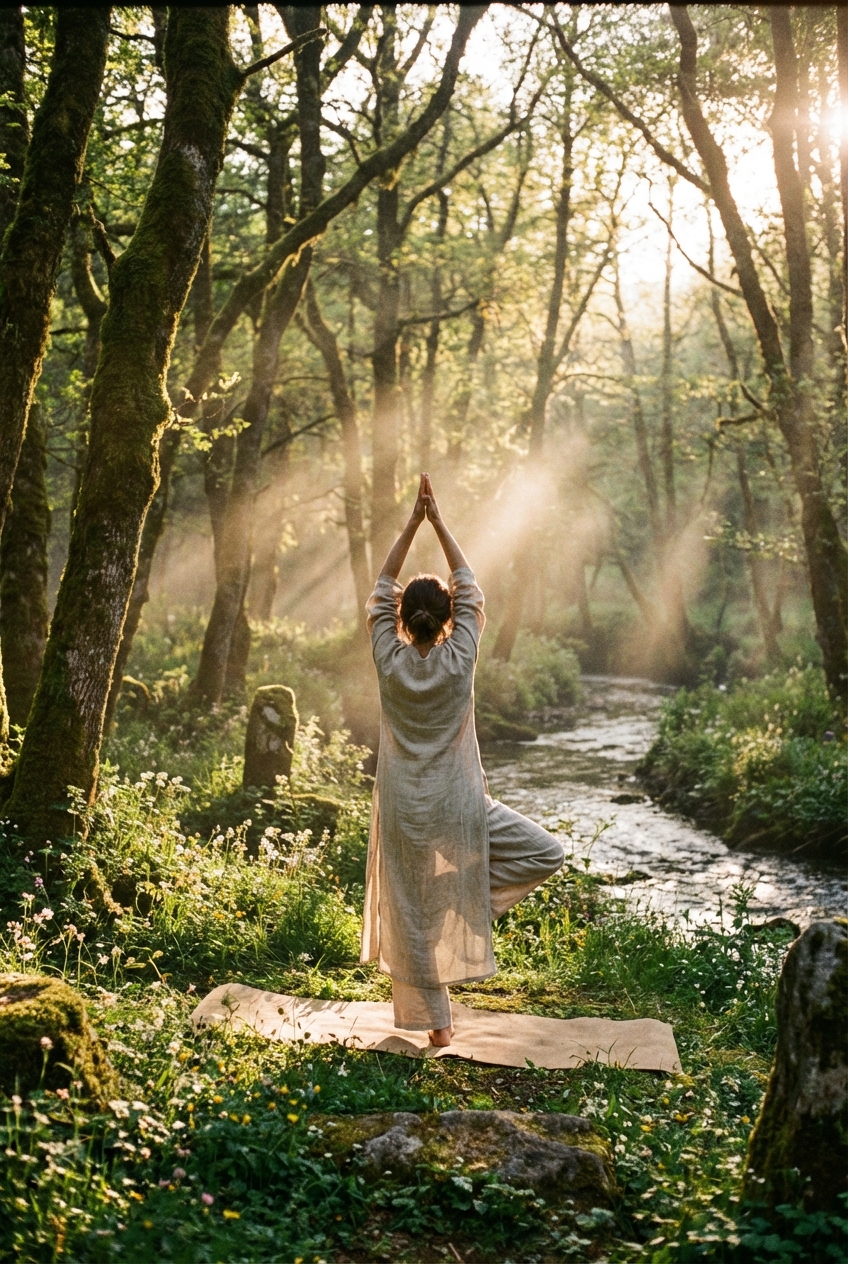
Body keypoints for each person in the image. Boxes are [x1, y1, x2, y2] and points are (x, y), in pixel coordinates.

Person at [361, 473, 564, 1047]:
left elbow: (382, 584)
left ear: (399, 618)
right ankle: (441, 1025)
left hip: (404, 805)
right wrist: (439, 521)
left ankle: (439, 1023)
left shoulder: (387, 658)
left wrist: (411, 522)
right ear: (451, 617)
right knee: (548, 852)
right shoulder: (462, 656)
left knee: (412, 908)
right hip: (459, 805)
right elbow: (470, 583)